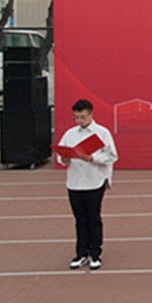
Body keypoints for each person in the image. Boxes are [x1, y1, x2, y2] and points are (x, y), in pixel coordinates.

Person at [57, 99, 118, 270]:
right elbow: (61, 154)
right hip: (74, 182)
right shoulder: (70, 134)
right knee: (80, 219)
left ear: (91, 114)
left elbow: (112, 156)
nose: (79, 121)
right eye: (76, 117)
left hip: (94, 181)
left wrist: (92, 158)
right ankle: (81, 253)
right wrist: (63, 158)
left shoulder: (102, 133)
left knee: (93, 218)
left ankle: (95, 253)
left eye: (82, 117)